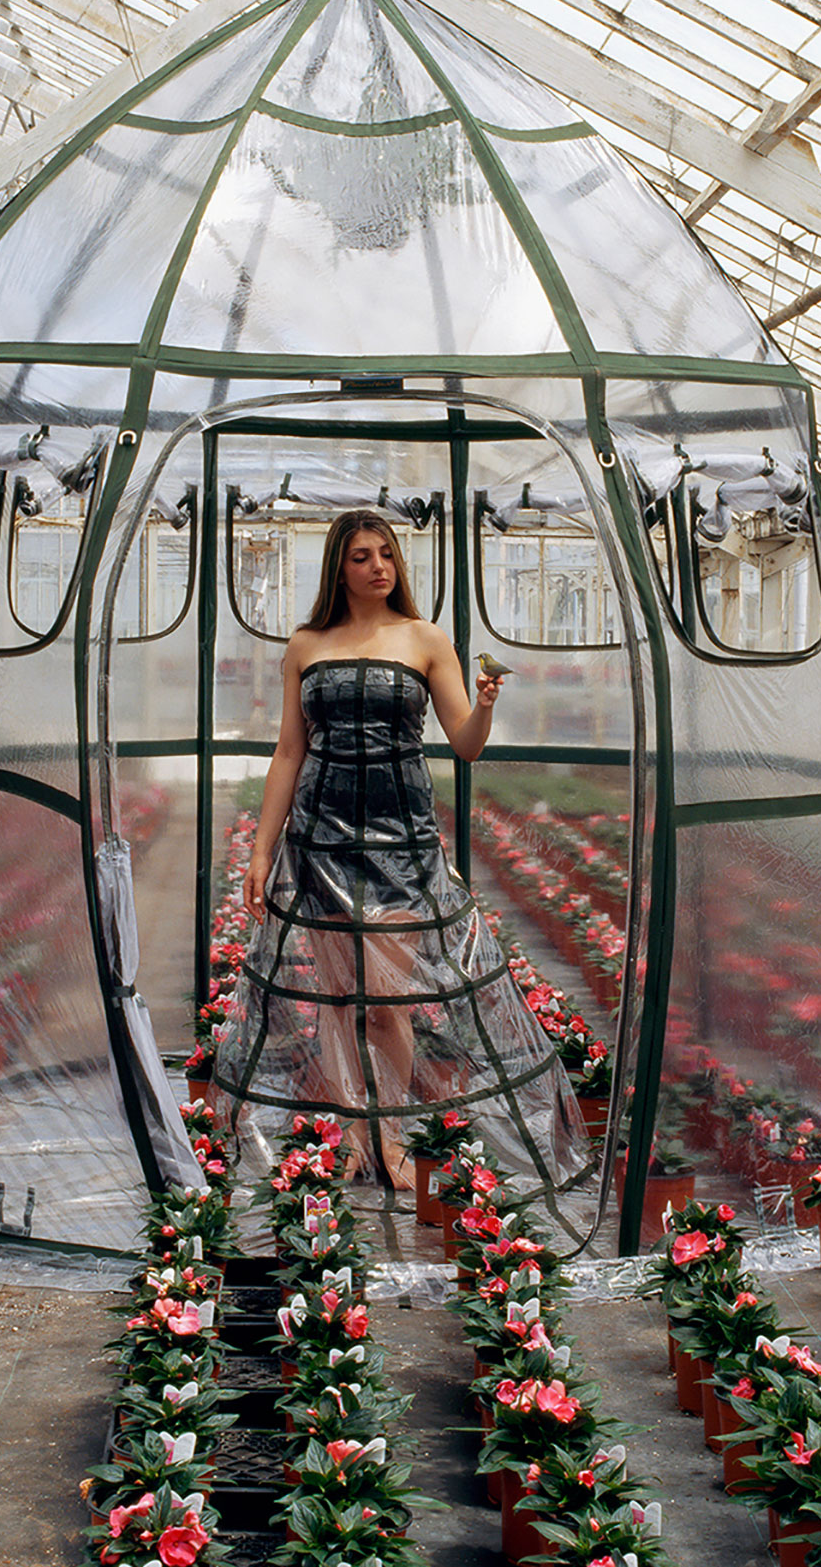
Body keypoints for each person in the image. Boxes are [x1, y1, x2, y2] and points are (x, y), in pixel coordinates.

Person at [210, 508, 585, 1197]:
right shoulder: (305, 644)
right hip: (319, 839)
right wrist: (262, 852)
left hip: (401, 841)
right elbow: (289, 751)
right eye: (362, 555)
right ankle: (359, 1136)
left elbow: (465, 743)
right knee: (336, 1001)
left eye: (386, 553)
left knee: (386, 1005)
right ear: (339, 567)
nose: (379, 565)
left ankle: (394, 1132)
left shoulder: (425, 638)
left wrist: (488, 704)